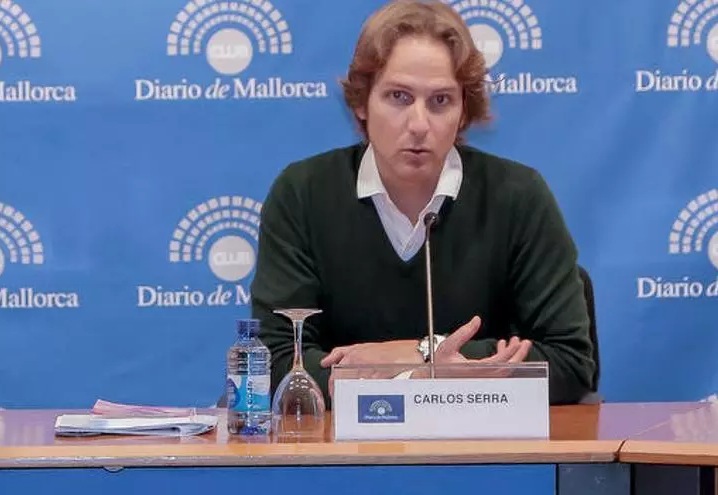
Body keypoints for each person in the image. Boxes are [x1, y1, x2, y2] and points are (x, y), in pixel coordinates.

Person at [251, 0, 595, 407]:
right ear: (361, 102)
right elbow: (275, 362)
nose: (418, 124)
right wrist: (428, 373)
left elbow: (569, 361)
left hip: (482, 441)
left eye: (440, 101)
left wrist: (421, 354)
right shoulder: (302, 193)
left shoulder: (518, 196)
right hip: (341, 442)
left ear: (463, 111)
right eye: (398, 96)